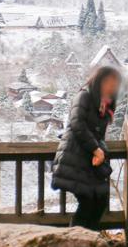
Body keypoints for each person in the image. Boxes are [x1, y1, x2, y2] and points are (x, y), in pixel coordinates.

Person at [51, 66, 120, 231]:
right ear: (99, 81)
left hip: (90, 160)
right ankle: (76, 242)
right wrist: (96, 149)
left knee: (100, 200)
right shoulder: (84, 96)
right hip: (75, 156)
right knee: (88, 201)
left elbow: (98, 134)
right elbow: (77, 123)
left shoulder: (105, 105)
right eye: (108, 82)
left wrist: (98, 150)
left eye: (114, 83)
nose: (112, 86)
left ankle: (90, 241)